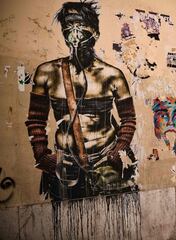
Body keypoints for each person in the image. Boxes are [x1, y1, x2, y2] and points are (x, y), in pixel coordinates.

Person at [25, 1, 137, 200]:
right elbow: (35, 120)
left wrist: (116, 151)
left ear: (95, 32)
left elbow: (128, 120)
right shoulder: (47, 73)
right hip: (65, 167)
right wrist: (43, 156)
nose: (74, 31)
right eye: (68, 24)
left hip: (105, 164)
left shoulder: (113, 75)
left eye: (80, 23)